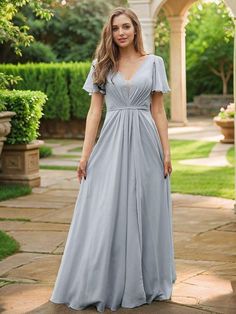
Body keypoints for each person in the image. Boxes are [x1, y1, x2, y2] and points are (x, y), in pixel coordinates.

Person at [49, 6, 176, 313]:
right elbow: (95, 111)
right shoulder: (102, 64)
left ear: (135, 30)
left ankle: (145, 280)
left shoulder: (154, 62)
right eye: (116, 27)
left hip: (147, 143)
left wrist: (167, 151)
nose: (121, 32)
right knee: (106, 207)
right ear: (111, 31)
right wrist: (85, 154)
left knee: (145, 207)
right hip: (112, 140)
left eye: (126, 27)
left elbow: (158, 110)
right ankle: (103, 280)